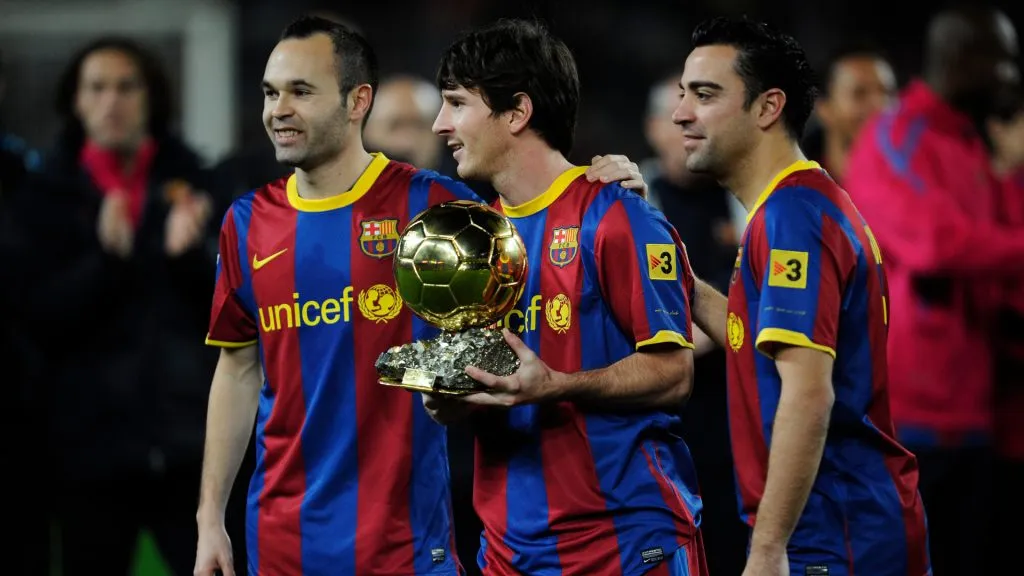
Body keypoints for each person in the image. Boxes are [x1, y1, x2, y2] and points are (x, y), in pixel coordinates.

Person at [193, 15, 646, 576]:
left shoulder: (438, 208)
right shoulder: (246, 223)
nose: (277, 109)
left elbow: (559, 265)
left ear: (358, 101)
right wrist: (210, 517)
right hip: (282, 541)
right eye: (270, 92)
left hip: (409, 541)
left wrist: (608, 191)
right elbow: (237, 370)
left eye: (300, 91)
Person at [425, 19, 707, 576]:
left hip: (625, 543)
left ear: (516, 112)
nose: (441, 125)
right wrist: (452, 396)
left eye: (457, 103)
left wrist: (555, 386)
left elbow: (675, 373)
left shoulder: (616, 215)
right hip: (509, 551)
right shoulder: (471, 241)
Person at [673, 17, 930, 575]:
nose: (681, 113)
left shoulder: (794, 219)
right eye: (682, 94)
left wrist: (767, 550)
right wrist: (670, 266)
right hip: (837, 527)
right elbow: (746, 333)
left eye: (705, 95)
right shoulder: (797, 205)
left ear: (767, 108)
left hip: (835, 534)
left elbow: (809, 396)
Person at [17, 36, 231, 575]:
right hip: (88, 455)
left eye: (126, 86)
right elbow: (32, 320)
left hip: (191, 448)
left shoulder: (200, 187)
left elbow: (238, 315)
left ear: (151, 98)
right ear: (76, 101)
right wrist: (105, 263)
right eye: (97, 87)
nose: (111, 100)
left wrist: (189, 260)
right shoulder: (41, 197)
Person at [843, 7, 1022, 575]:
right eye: (1000, 59)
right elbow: (935, 244)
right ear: (961, 59)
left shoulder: (970, 144)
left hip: (978, 411)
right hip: (910, 414)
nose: (1009, 73)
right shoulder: (896, 135)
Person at [802, 42, 897, 183]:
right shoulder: (796, 192)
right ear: (824, 109)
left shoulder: (920, 186)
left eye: (887, 93)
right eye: (859, 94)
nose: (879, 105)